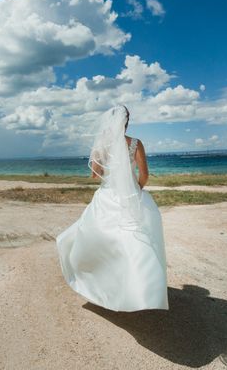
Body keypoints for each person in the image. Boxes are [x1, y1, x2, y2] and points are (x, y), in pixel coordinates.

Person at [56, 105, 168, 312]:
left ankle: (105, 285)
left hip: (107, 195)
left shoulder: (103, 144)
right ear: (127, 122)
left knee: (102, 239)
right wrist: (136, 188)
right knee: (136, 239)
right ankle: (141, 289)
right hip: (131, 196)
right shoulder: (136, 143)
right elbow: (144, 174)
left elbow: (94, 174)